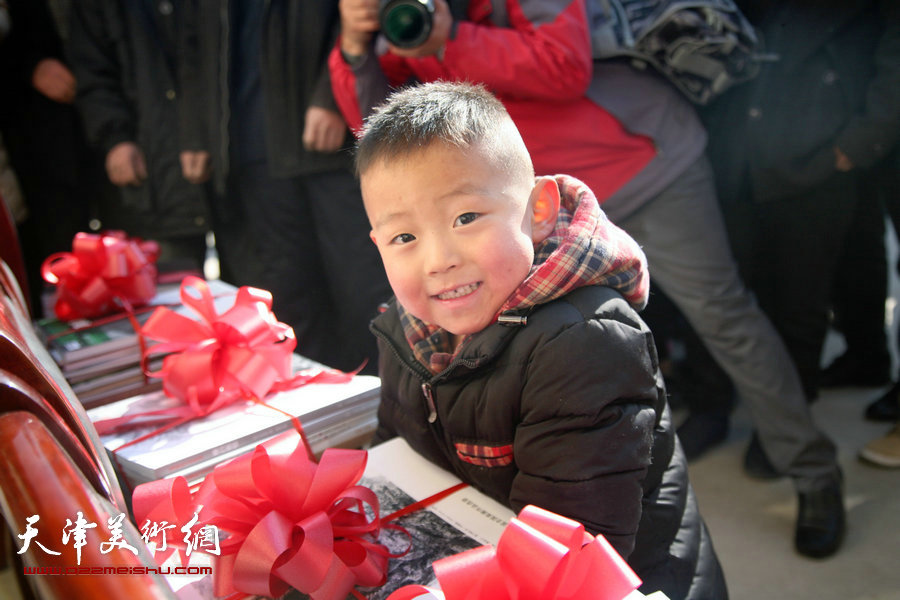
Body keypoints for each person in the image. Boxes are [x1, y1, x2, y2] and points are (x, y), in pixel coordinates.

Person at [332, 0, 845, 560]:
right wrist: (356, 49)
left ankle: (813, 471)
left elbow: (563, 66)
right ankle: (687, 425)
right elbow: (382, 142)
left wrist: (450, 37)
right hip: (503, 220)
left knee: (720, 314)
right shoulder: (406, 15)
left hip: (641, 164)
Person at [359, 81, 727, 600]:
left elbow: (566, 557)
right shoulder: (408, 324)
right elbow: (395, 454)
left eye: (466, 217)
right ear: (378, 244)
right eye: (404, 237)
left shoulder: (586, 343)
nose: (438, 259)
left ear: (538, 211)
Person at [176, 0, 392, 373]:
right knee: (288, 304)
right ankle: (318, 416)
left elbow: (364, 14)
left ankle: (384, 410)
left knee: (364, 296)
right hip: (251, 151)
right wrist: (198, 131)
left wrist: (330, 94)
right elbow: (194, 44)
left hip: (332, 145)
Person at [67, 0, 211, 275]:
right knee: (169, 285)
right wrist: (115, 139)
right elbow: (92, 73)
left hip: (218, 166)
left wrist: (200, 133)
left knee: (244, 291)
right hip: (150, 173)